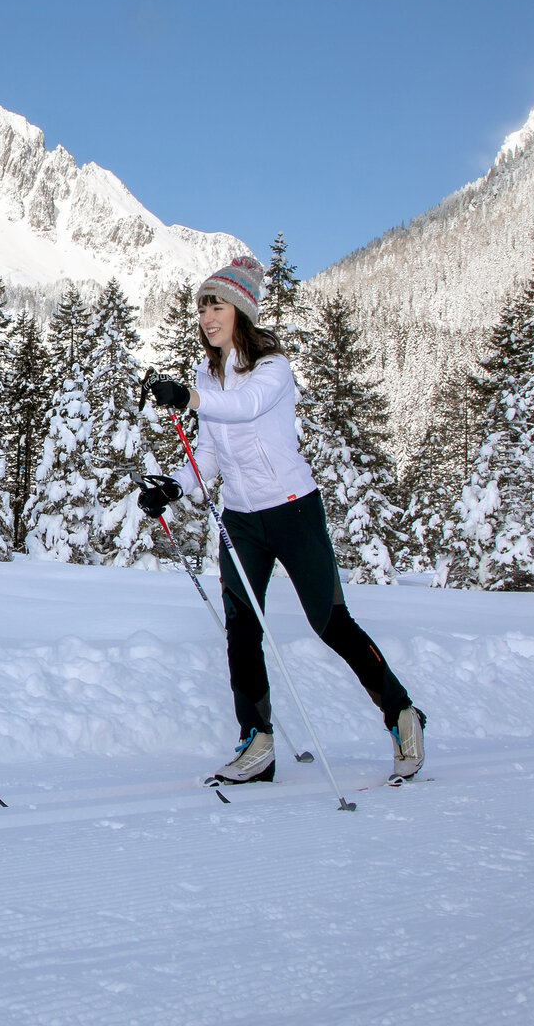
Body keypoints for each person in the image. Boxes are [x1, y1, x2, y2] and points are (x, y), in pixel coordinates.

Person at [139, 256, 424, 786]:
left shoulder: (272, 368)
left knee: (330, 623)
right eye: (202, 308)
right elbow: (211, 453)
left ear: (241, 312)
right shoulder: (207, 373)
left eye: (217, 306)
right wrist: (174, 486)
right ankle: (257, 741)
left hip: (293, 510)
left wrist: (190, 398)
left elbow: (245, 407)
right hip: (242, 520)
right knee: (241, 629)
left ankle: (401, 712)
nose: (206, 317)